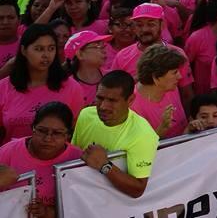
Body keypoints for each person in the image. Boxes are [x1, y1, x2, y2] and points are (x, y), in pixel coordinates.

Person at [72, 70, 159, 198]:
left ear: (130, 100)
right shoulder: (86, 115)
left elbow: (138, 189)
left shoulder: (143, 134)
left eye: (112, 100)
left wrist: (104, 165)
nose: (103, 106)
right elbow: (73, 157)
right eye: (100, 98)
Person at [0, 24, 85, 144]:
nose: (46, 55)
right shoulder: (4, 87)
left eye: (51, 48)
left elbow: (75, 132)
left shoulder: (72, 88)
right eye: (39, 49)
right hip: (11, 159)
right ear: (24, 50)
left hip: (58, 159)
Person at [0, 102, 82, 216]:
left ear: (68, 135)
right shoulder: (8, 152)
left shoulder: (77, 160)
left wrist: (49, 212)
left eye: (57, 133)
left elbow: (82, 207)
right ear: (33, 128)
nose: (48, 138)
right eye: (42, 131)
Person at [111, 3, 194, 106]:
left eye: (151, 24)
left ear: (162, 25)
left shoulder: (177, 54)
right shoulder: (122, 56)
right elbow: (113, 91)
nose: (145, 29)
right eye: (139, 25)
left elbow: (186, 94)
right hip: (136, 119)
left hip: (173, 119)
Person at [131, 44, 188, 139]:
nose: (180, 76)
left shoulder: (171, 87)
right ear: (156, 77)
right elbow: (142, 146)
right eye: (174, 72)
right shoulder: (132, 105)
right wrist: (162, 128)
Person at [64, 30, 111, 106]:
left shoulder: (111, 77)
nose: (104, 51)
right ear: (80, 54)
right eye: (98, 46)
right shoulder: (67, 86)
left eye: (103, 46)